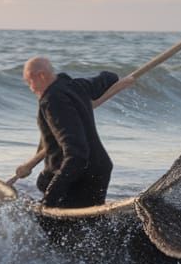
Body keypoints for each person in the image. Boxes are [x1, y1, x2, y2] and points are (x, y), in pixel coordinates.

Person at [19, 56, 131, 208]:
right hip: (99, 168)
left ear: (41, 75)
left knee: (46, 184)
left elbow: (77, 154)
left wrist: (48, 201)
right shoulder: (76, 86)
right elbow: (109, 77)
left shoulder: (53, 101)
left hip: (80, 176)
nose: (30, 88)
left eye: (29, 82)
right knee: (43, 181)